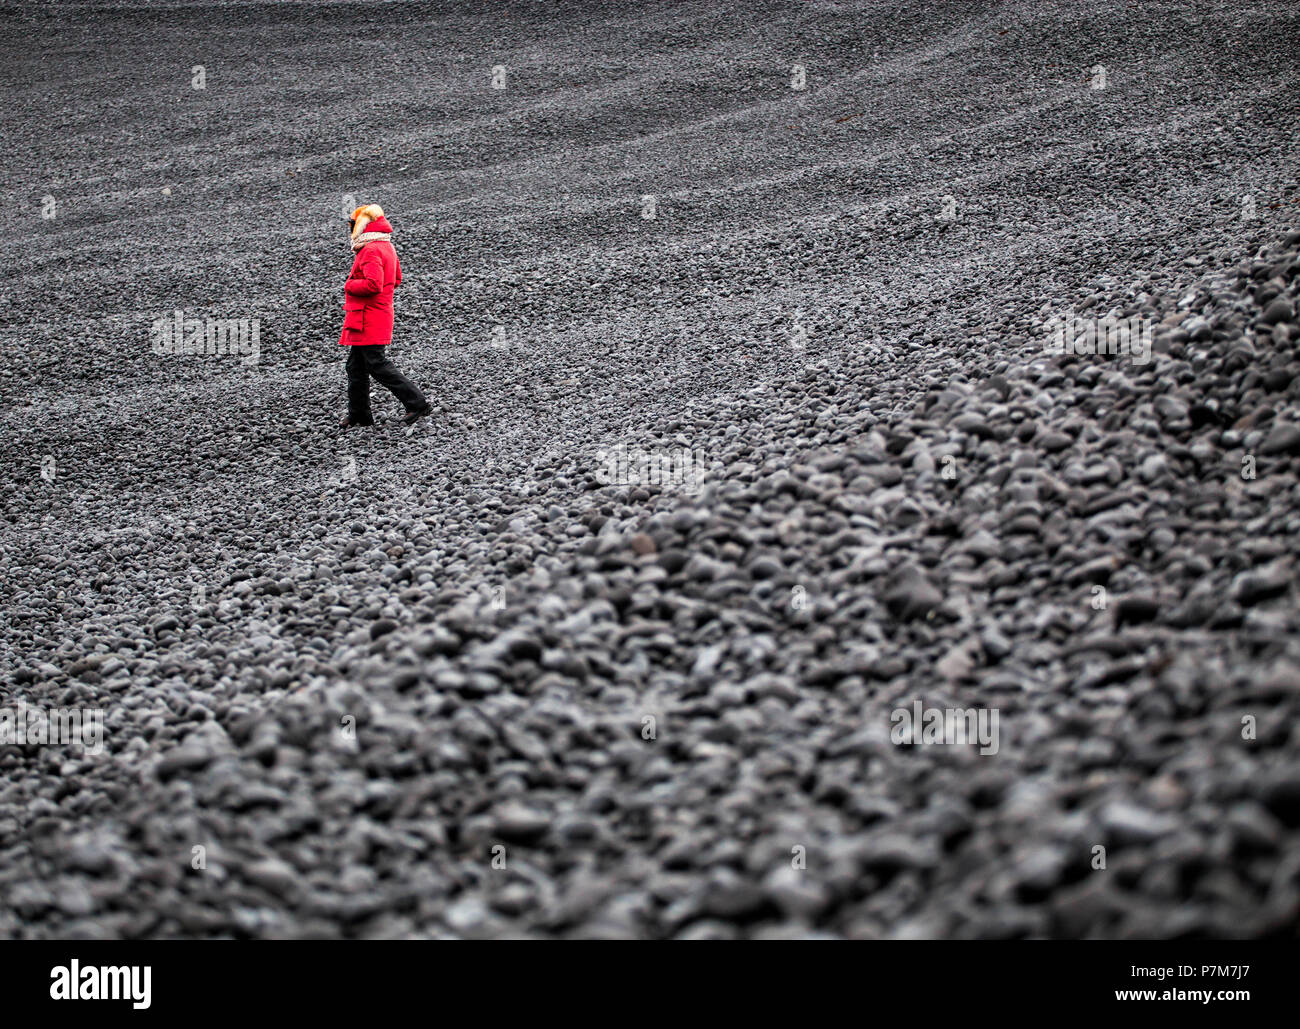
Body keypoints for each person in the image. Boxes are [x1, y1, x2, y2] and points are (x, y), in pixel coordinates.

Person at [337, 204, 433, 428]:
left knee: (376, 363)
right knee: (356, 366)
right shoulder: (385, 246)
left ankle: (417, 403)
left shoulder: (370, 250)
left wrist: (350, 285)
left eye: (353, 225)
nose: (351, 229)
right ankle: (359, 414)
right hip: (375, 314)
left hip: (368, 317)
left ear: (362, 226)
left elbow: (373, 284)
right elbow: (396, 279)